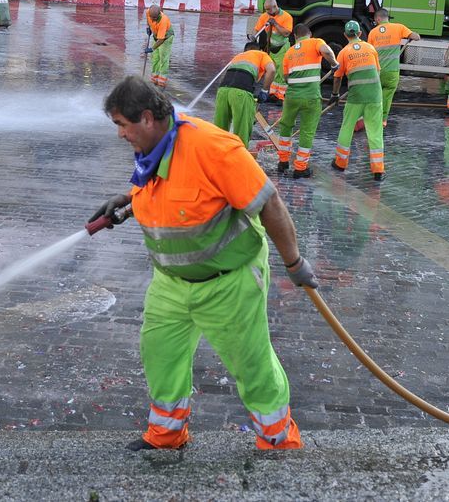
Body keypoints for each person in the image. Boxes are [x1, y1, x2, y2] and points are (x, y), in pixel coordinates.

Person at [89, 76, 317, 452]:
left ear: (146, 119)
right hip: (170, 285)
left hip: (228, 284)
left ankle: (279, 442)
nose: (119, 135)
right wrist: (128, 200)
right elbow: (166, 189)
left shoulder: (214, 148)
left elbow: (271, 204)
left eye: (121, 125)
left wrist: (294, 263)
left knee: (252, 366)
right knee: (160, 354)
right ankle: (166, 435)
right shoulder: (154, 148)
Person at [275, 23, 337, 178]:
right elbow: (326, 51)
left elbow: (286, 77)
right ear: (309, 34)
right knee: (307, 131)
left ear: (295, 36)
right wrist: (334, 64)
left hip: (291, 97)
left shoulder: (289, 52)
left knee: (285, 127)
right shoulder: (316, 42)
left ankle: (283, 162)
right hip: (311, 97)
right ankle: (300, 168)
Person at [330, 21, 385, 180]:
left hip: (355, 97)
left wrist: (334, 94)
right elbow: (377, 72)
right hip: (374, 96)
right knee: (375, 132)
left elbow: (337, 78)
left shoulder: (344, 52)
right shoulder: (371, 48)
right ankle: (378, 170)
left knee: (347, 128)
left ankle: (340, 164)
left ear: (345, 35)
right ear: (360, 33)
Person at [213, 40, 276, 147]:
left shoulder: (238, 56)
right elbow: (272, 70)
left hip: (222, 91)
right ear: (259, 49)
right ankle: (239, 159)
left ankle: (216, 157)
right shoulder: (262, 54)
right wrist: (265, 90)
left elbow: (224, 76)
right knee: (242, 131)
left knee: (219, 131)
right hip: (241, 92)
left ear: (245, 50)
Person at [367, 8, 421, 127]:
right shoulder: (399, 27)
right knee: (387, 96)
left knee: (375, 95)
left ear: (378, 19)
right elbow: (416, 37)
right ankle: (383, 120)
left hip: (377, 72)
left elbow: (369, 53)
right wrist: (412, 36)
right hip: (392, 72)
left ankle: (371, 118)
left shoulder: (373, 32)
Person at [254, 0, 294, 102]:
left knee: (282, 72)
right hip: (270, 47)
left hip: (282, 48)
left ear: (275, 7)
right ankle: (272, 93)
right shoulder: (265, 16)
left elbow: (286, 33)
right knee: (272, 71)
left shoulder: (286, 17)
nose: (267, 12)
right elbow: (258, 30)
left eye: (268, 9)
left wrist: (275, 24)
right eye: (266, 9)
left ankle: (281, 96)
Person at [145, 4, 175, 89]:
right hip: (156, 35)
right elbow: (148, 19)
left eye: (154, 18)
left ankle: (162, 81)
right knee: (155, 58)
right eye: (151, 17)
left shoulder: (163, 20)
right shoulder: (149, 12)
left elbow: (161, 40)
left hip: (166, 38)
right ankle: (154, 78)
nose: (152, 19)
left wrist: (152, 48)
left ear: (158, 14)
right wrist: (148, 27)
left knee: (163, 58)